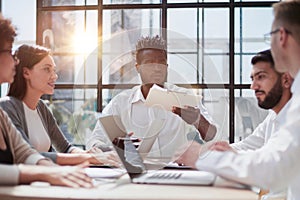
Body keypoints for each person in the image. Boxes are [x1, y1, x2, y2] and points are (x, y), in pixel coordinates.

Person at [175, 1, 300, 199]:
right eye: (252, 78)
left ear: (282, 36)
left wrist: (202, 157)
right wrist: (216, 151)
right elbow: (256, 149)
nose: (253, 87)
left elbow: (274, 168)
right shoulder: (279, 113)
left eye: (261, 77)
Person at [86, 35, 217, 160]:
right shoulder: (120, 103)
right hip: (136, 171)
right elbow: (94, 142)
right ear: (138, 68)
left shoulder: (184, 97)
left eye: (161, 63)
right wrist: (115, 149)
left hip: (175, 171)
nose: (157, 68)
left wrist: (198, 120)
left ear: (166, 66)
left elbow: (211, 136)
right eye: (149, 63)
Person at [0, 13, 93, 187]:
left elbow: (26, 154)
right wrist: (49, 173)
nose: (15, 60)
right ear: (26, 73)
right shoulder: (7, 106)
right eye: (9, 51)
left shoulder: (9, 114)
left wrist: (58, 171)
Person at [0, 44, 120, 167]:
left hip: (46, 179)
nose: (54, 76)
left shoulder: (41, 107)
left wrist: (89, 154)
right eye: (47, 69)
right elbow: (28, 155)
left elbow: (66, 148)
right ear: (26, 72)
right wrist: (89, 157)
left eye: (54, 70)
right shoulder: (7, 106)